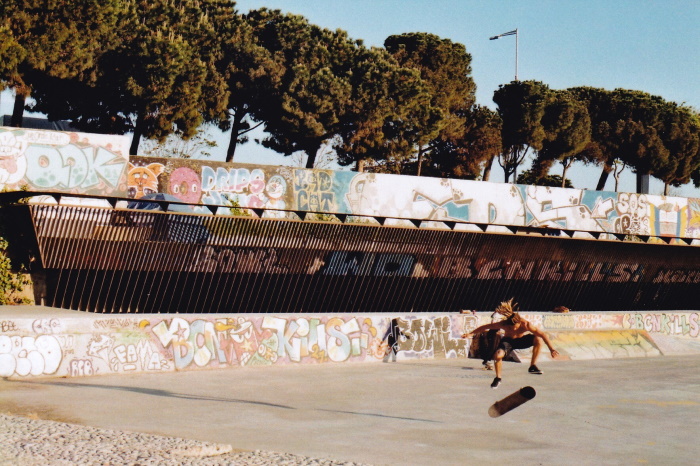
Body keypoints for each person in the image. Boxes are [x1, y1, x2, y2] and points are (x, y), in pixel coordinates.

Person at [462, 299, 559, 389]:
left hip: (521, 341)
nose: (513, 329)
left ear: (519, 323)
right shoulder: (503, 324)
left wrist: (551, 349)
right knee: (498, 355)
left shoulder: (526, 324)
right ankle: (498, 378)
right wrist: (471, 333)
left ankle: (532, 366)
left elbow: (542, 334)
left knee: (538, 339)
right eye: (511, 327)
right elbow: (485, 327)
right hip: (508, 342)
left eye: (515, 327)